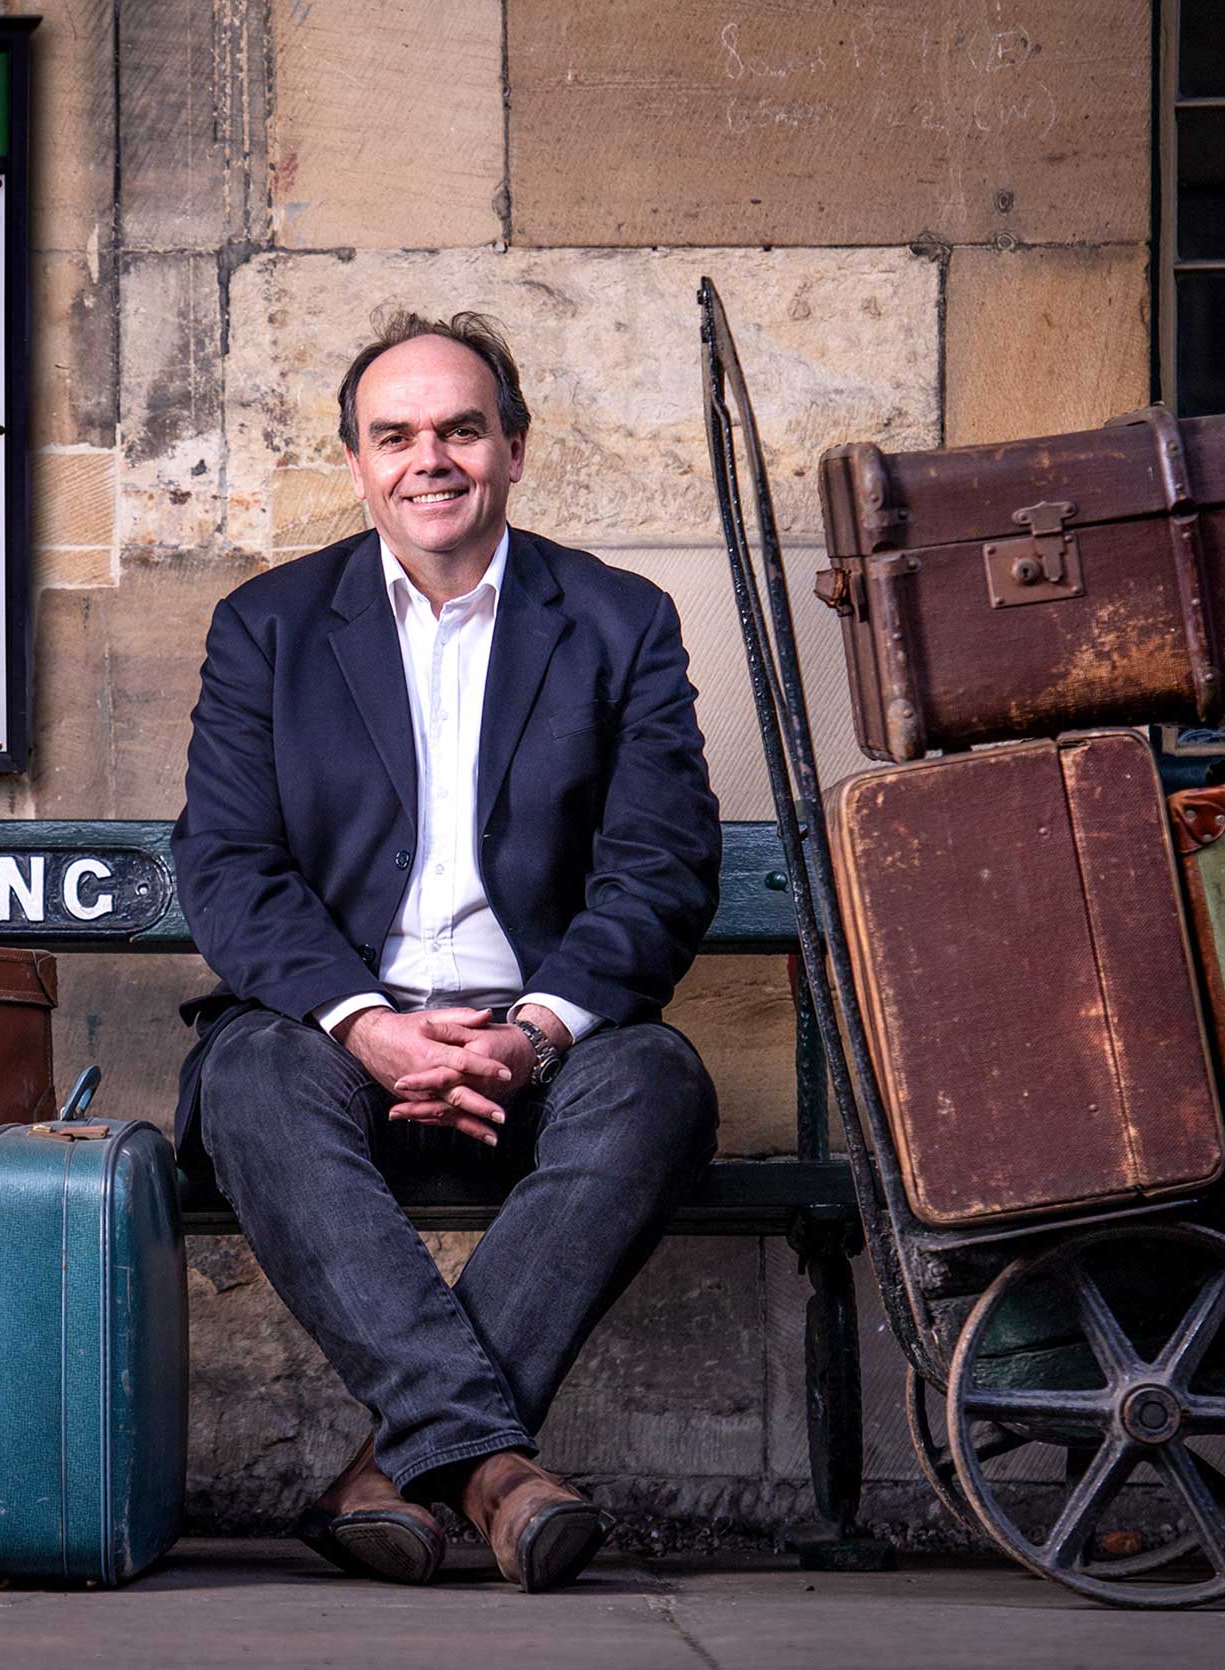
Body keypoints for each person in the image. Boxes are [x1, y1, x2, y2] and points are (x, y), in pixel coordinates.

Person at [171, 309, 722, 1592]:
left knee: (660, 1084)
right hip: (341, 1043)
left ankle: (392, 1472)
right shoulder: (268, 624)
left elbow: (660, 866)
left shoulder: (617, 618)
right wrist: (366, 1023)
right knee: (248, 1076)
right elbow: (231, 868)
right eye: (395, 435)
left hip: (535, 1046)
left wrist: (532, 1035)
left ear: (514, 450)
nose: (431, 458)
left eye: (461, 429)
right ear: (358, 464)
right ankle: (492, 1471)